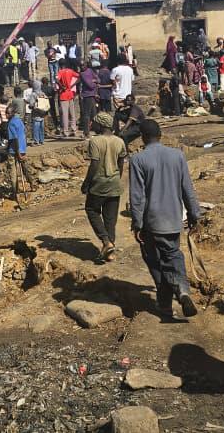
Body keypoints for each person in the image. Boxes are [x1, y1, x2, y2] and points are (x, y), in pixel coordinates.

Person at [129, 119, 201, 320]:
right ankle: (174, 298)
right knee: (171, 256)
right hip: (173, 220)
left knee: (156, 261)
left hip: (151, 222)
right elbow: (188, 189)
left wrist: (137, 224)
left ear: (143, 137)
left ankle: (174, 298)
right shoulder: (177, 156)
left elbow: (137, 196)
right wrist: (194, 214)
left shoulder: (138, 159)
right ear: (160, 135)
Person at [82, 111, 127, 262]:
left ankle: (106, 241)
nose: (92, 125)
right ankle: (110, 250)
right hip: (114, 183)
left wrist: (86, 183)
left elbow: (94, 164)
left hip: (99, 183)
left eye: (94, 123)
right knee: (110, 218)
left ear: (101, 125)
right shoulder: (119, 141)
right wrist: (116, 178)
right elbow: (121, 163)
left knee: (91, 210)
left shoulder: (95, 141)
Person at [56, 60, 80, 138]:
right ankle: (74, 130)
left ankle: (66, 132)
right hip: (70, 93)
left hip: (63, 95)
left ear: (60, 65)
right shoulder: (70, 71)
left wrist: (61, 86)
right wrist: (72, 85)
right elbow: (79, 76)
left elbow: (56, 80)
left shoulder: (60, 72)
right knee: (72, 113)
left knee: (65, 114)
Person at [79, 62, 100, 139]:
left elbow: (98, 79)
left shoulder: (90, 70)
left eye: (83, 65)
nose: (82, 67)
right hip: (87, 95)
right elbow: (90, 85)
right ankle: (86, 132)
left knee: (93, 114)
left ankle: (96, 130)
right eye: (80, 65)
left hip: (92, 95)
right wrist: (95, 83)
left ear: (86, 65)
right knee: (87, 115)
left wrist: (95, 81)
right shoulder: (82, 74)